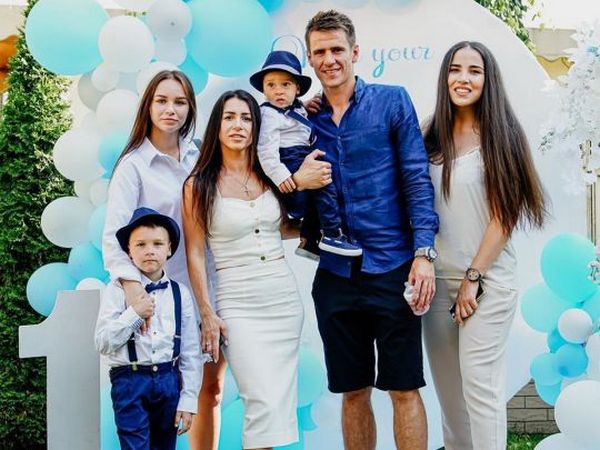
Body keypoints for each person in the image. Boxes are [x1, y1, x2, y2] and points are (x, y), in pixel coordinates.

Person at [304, 10, 440, 450]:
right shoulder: (304, 121)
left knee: (404, 387)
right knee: (352, 390)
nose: (329, 59)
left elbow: (416, 178)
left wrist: (423, 253)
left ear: (355, 52)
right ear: (310, 59)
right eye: (320, 52)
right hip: (335, 274)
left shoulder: (392, 101)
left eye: (337, 49)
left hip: (393, 266)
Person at [182, 89, 330, 450]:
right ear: (217, 126)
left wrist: (318, 228)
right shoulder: (198, 185)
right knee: (260, 402)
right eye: (230, 117)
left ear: (257, 127)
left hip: (282, 301)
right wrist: (207, 312)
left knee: (277, 408)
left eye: (246, 118)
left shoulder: (271, 176)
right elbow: (195, 252)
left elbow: (278, 227)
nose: (238, 125)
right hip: (237, 303)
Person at [422, 41, 546, 450]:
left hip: (486, 282)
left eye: (474, 71)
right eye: (455, 69)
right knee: (449, 398)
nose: (463, 79)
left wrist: (473, 277)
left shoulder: (502, 135)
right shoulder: (429, 134)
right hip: (436, 283)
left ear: (488, 80)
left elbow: (504, 216)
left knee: (480, 388)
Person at [101, 70, 224, 450]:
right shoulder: (134, 165)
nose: (171, 109)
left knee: (209, 391)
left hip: (205, 290)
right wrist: (136, 295)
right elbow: (113, 239)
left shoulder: (200, 157)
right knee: (159, 399)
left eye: (180, 102)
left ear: (191, 108)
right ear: (148, 106)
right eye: (162, 100)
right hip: (159, 301)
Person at [95, 207, 202, 449]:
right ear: (129, 251)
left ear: (169, 249)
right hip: (130, 381)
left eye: (157, 244)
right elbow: (102, 342)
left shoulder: (180, 293)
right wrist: (135, 314)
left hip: (169, 381)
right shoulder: (116, 290)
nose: (149, 251)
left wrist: (188, 400)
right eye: (140, 244)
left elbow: (190, 351)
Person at [250, 49, 362, 259]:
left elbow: (295, 116)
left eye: (285, 84)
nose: (278, 91)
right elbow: (265, 150)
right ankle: (332, 234)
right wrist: (281, 175)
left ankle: (309, 240)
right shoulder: (269, 113)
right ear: (263, 89)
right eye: (271, 85)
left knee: (320, 194)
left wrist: (304, 105)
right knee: (324, 186)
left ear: (297, 89)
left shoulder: (296, 108)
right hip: (288, 158)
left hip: (301, 153)